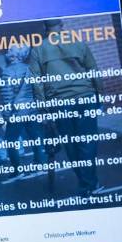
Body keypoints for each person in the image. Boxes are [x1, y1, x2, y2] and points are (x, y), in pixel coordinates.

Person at [29, 19, 103, 195]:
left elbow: (37, 82)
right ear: (62, 26)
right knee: (88, 142)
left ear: (45, 29)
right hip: (85, 97)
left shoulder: (38, 49)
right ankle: (90, 183)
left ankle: (87, 183)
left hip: (59, 101)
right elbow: (93, 69)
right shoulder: (78, 43)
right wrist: (99, 94)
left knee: (71, 144)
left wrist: (43, 107)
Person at [0, 44, 46, 182]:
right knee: (35, 137)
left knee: (11, 140)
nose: (7, 52)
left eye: (10, 50)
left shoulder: (7, 72)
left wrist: (6, 114)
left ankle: (16, 170)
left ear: (14, 55)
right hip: (31, 109)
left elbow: (7, 96)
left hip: (16, 112)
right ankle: (40, 164)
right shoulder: (29, 69)